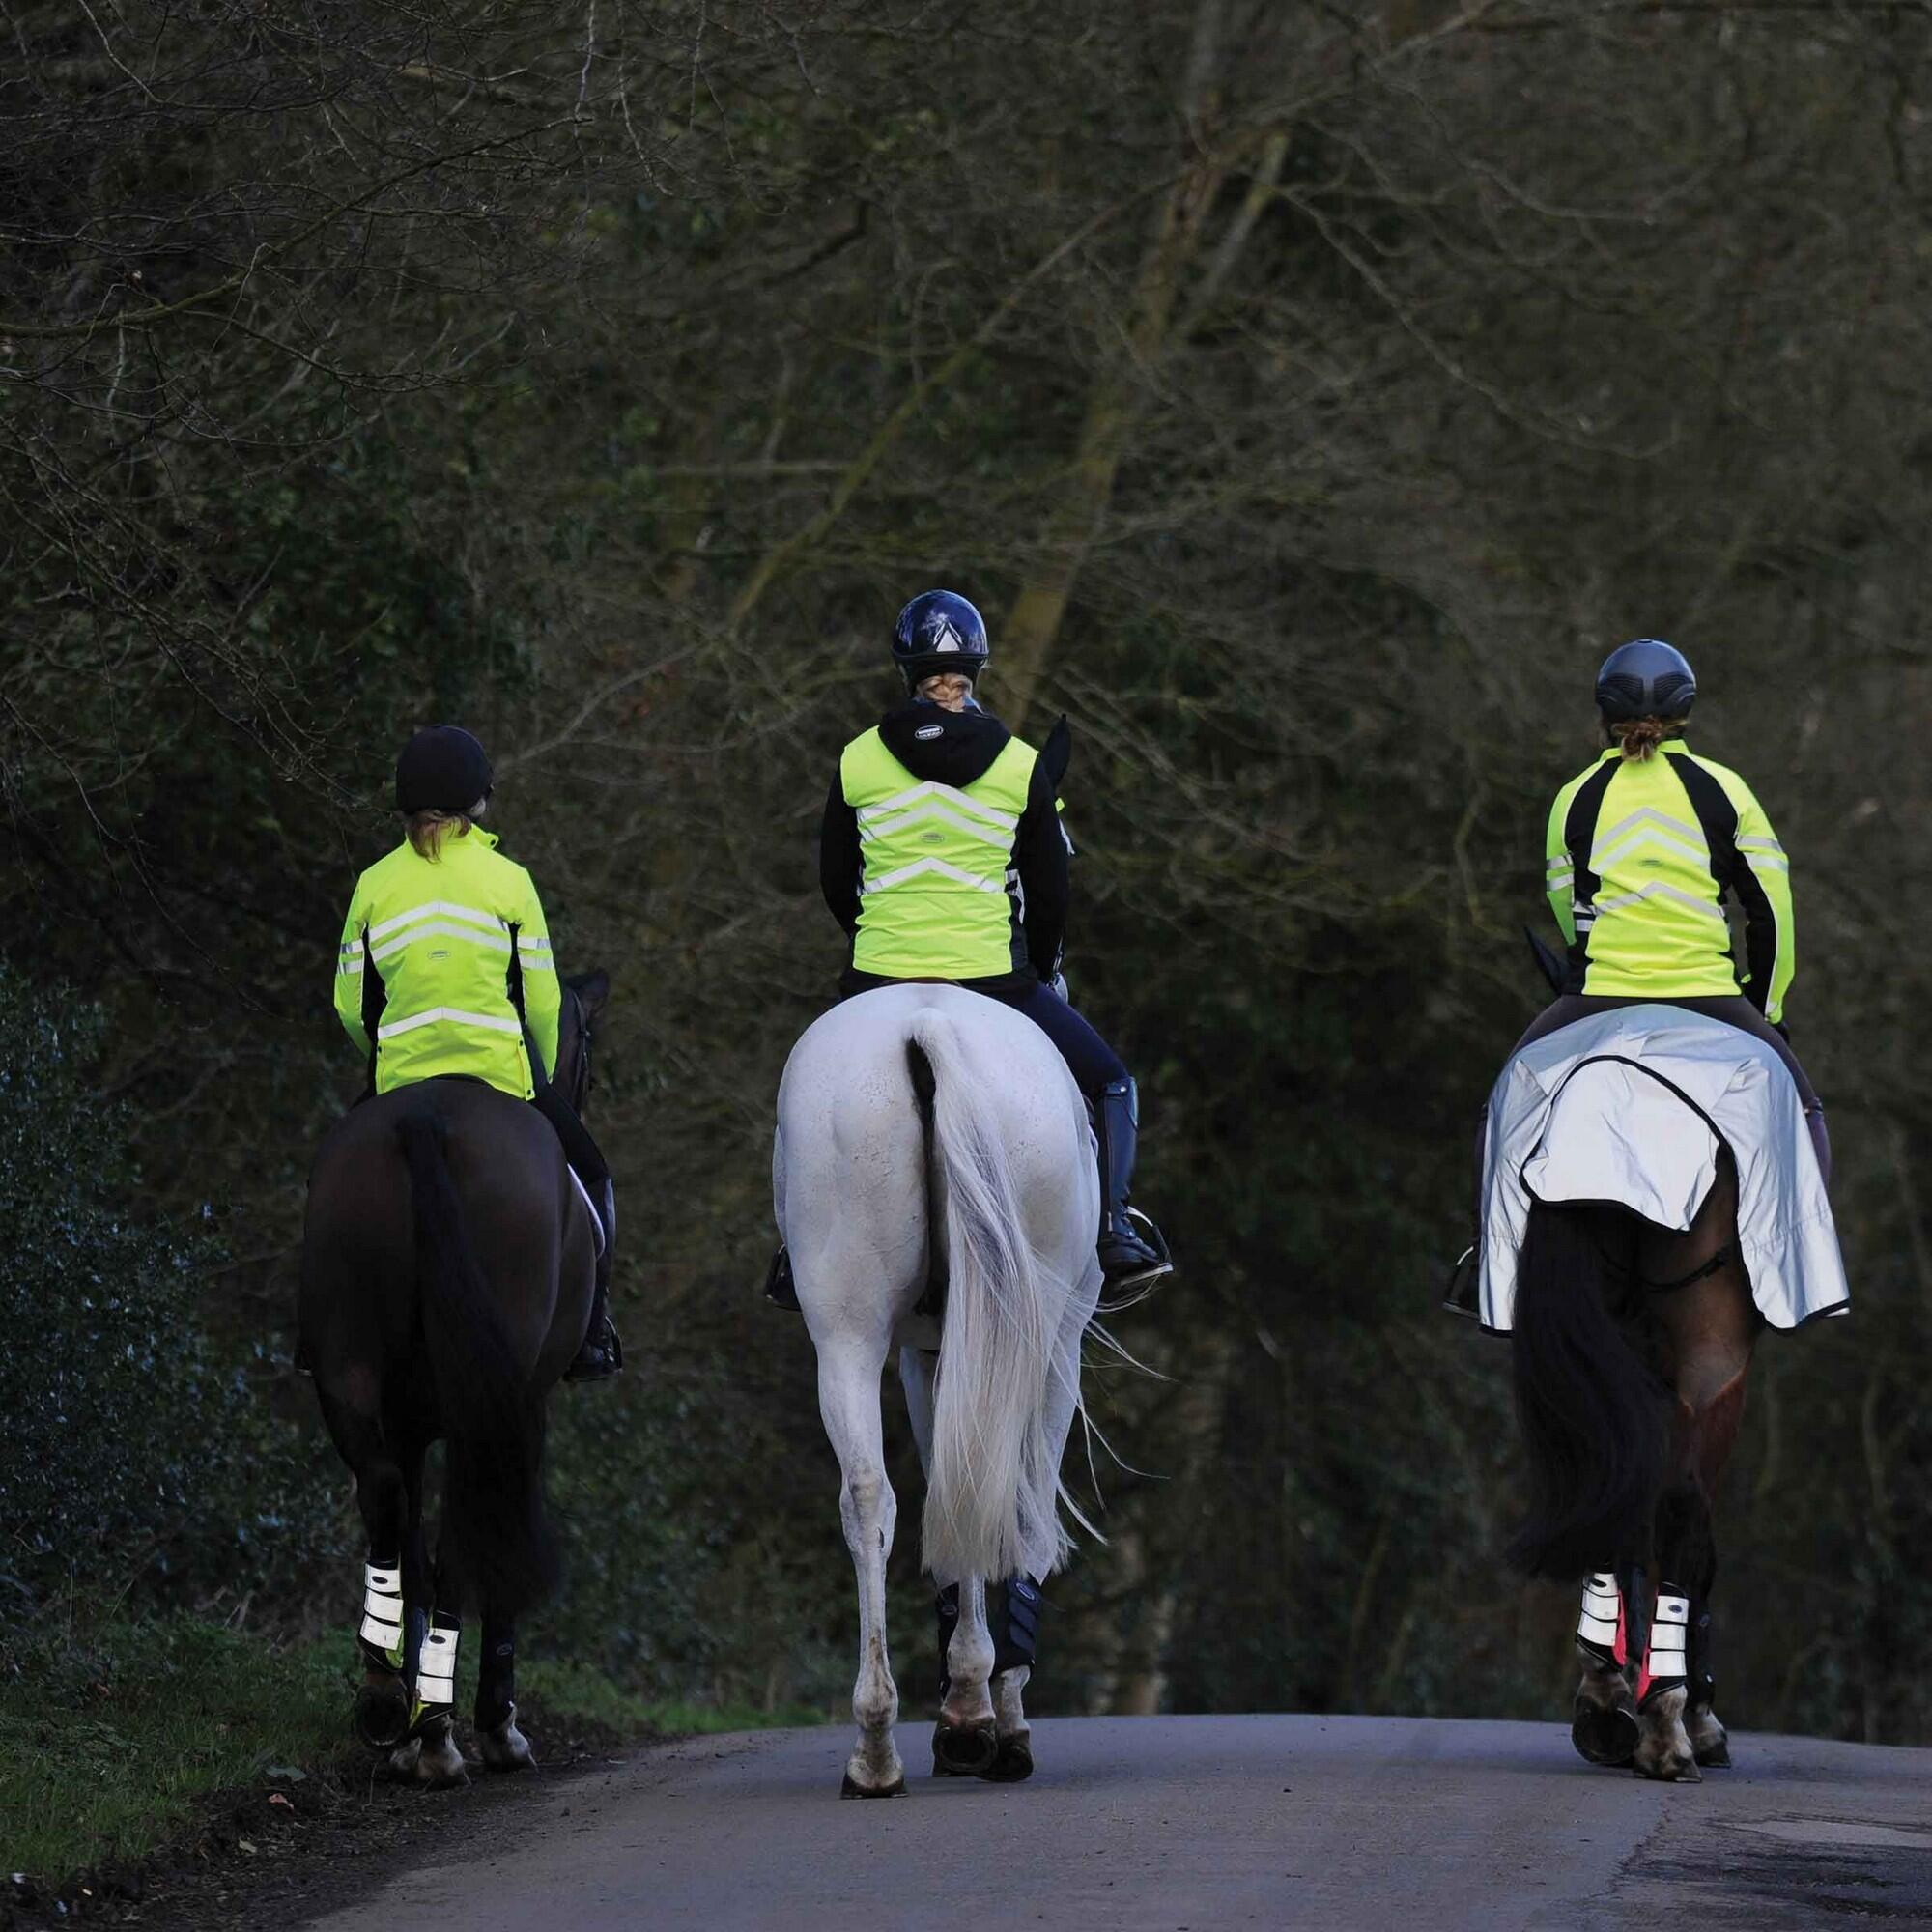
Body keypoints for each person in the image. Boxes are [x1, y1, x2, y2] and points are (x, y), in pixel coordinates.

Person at [766, 589, 1172, 1306]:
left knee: (806, 1091)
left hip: (878, 973)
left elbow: (835, 879)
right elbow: (1049, 896)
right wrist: (1038, 970)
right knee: (1112, 1081)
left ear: (908, 671)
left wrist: (876, 941)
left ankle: (794, 1251)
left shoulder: (858, 759)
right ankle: (1115, 1230)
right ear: (975, 672)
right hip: (991, 978)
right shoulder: (1021, 767)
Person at [331, 724, 622, 1380]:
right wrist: (540, 1076)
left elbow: (350, 1006)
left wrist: (381, 1061)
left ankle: (316, 1336)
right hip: (500, 1076)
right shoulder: (510, 882)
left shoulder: (373, 887)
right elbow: (544, 1004)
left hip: (398, 1078)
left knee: (331, 1174)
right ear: (477, 804)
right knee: (597, 1177)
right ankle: (593, 1333)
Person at [1518, 637, 1829, 1181]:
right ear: (1685, 711)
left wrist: (1590, 967)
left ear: (1604, 713)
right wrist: (1766, 1006)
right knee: (1804, 1117)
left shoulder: (1574, 797)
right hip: (1709, 996)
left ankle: (1488, 1255)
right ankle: (1810, 1263)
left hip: (1600, 997)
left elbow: (1567, 910)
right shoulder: (1726, 790)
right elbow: (1772, 913)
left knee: (1506, 1106)